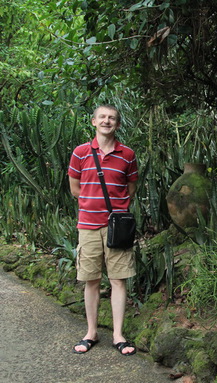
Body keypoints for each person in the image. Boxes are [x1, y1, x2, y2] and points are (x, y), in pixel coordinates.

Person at [68, 105, 139, 356]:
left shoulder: (127, 154)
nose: (106, 121)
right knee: (91, 280)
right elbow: (75, 188)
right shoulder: (80, 153)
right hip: (87, 225)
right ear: (93, 122)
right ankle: (91, 332)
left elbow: (130, 189)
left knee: (118, 279)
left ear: (117, 124)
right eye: (102, 117)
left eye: (111, 118)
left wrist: (114, 209)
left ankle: (118, 335)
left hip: (117, 226)